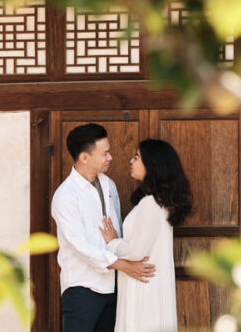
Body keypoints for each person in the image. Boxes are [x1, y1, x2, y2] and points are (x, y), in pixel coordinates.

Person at [51, 124, 156, 332]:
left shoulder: (109, 184)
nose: (111, 157)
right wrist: (124, 265)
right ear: (84, 157)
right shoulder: (65, 196)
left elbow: (116, 231)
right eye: (105, 153)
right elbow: (79, 245)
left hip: (113, 286)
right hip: (82, 288)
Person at [99, 139, 193, 332]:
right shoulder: (160, 203)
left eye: (137, 157)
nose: (131, 161)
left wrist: (112, 242)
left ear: (153, 165)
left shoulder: (150, 204)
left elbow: (135, 252)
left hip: (142, 287)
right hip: (147, 284)